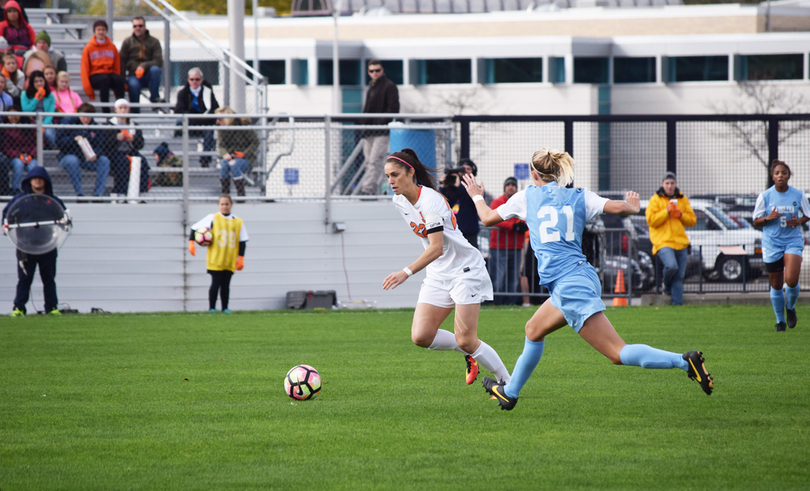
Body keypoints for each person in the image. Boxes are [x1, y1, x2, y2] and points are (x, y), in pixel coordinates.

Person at [462, 148, 713, 411]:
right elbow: (618, 207)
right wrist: (632, 206)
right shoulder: (579, 196)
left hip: (570, 285)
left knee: (618, 353)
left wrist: (477, 196)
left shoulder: (527, 197)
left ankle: (685, 362)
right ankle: (510, 393)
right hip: (579, 277)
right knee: (533, 330)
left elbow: (488, 217)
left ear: (534, 174)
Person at [381, 148, 512, 387]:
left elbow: (436, 248)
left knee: (467, 338)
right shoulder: (399, 200)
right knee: (421, 336)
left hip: (465, 271)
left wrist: (405, 272)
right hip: (439, 273)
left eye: (395, 174)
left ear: (411, 172)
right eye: (388, 175)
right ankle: (469, 354)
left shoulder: (430, 200)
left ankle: (507, 383)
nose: (391, 181)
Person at [752, 160, 810, 332]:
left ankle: (790, 307)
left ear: (788, 176)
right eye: (777, 173)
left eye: (784, 173)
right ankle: (780, 321)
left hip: (792, 241)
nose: (780, 176)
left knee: (791, 280)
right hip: (772, 243)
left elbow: (807, 215)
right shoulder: (765, 196)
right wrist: (767, 218)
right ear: (773, 176)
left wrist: (799, 220)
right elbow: (755, 221)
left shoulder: (798, 195)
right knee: (776, 285)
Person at [3, 166, 65, 316]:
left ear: (45, 181)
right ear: (29, 181)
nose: (37, 181)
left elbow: (64, 218)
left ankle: (51, 308)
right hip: (25, 246)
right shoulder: (20, 200)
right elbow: (7, 216)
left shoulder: (53, 201)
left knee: (49, 278)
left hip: (48, 245)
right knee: (25, 278)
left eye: (40, 178)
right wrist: (5, 225)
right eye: (34, 178)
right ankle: (19, 308)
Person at [188, 195, 248, 313]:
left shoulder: (238, 221)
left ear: (231, 205)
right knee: (215, 283)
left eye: (227, 204)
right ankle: (212, 308)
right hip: (215, 258)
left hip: (229, 259)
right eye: (222, 204)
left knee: (226, 285)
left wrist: (241, 257)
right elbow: (194, 228)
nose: (224, 206)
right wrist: (191, 242)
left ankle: (225, 308)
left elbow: (242, 241)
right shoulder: (213, 218)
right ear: (218, 205)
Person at [645, 172, 696, 306]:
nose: (670, 186)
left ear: (676, 184)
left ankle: (676, 304)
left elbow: (692, 220)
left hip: (681, 242)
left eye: (672, 183)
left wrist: (680, 214)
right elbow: (651, 221)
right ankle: (666, 286)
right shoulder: (655, 200)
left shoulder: (682, 199)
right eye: (667, 183)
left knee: (679, 275)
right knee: (671, 266)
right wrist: (667, 211)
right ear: (662, 184)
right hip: (663, 242)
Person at [357, 59, 399, 195]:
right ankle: (376, 191)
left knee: (375, 160)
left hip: (381, 131)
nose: (375, 73)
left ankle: (367, 189)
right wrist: (364, 126)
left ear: (382, 71)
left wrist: (381, 123)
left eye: (377, 70)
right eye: (371, 71)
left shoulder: (389, 86)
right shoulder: (371, 88)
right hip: (368, 131)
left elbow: (393, 108)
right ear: (368, 72)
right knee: (370, 162)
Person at [56, 102, 111, 197]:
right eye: (83, 117)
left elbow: (102, 146)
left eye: (89, 117)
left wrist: (95, 155)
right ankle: (79, 193)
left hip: (88, 159)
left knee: (104, 161)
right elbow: (59, 142)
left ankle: (98, 194)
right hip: (69, 156)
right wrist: (73, 139)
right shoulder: (68, 123)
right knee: (72, 160)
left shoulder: (96, 127)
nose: (86, 120)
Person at [489, 176, 527, 305]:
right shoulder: (497, 202)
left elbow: (525, 218)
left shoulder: (520, 203)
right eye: (508, 185)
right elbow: (494, 218)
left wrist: (523, 225)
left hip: (516, 246)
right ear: (504, 188)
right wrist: (513, 226)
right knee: (499, 277)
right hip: (499, 246)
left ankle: (510, 303)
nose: (511, 187)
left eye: (513, 185)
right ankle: (496, 302)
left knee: (514, 277)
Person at [174, 67, 218, 167]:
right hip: (189, 124)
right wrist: (198, 117)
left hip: (203, 124)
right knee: (181, 121)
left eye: (197, 79)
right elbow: (179, 110)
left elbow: (214, 109)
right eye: (192, 79)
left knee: (209, 130)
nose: (194, 82)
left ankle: (205, 160)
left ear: (201, 80)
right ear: (188, 80)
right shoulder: (183, 93)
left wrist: (200, 118)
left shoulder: (208, 92)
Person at [80, 20, 125, 113]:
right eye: (98, 30)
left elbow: (117, 66)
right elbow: (84, 69)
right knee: (104, 80)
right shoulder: (88, 48)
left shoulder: (112, 47)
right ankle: (106, 112)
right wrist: (89, 91)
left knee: (119, 79)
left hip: (109, 73)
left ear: (106, 31)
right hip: (95, 75)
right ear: (94, 31)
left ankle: (120, 107)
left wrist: (117, 79)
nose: (101, 32)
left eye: (103, 29)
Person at [120, 16, 163, 111]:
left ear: (145, 27)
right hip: (134, 75)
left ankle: (155, 99)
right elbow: (122, 61)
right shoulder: (128, 42)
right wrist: (122, 80)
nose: (137, 28)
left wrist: (144, 66)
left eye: (140, 25)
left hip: (149, 75)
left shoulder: (154, 42)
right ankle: (135, 112)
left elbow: (158, 61)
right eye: (135, 26)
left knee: (155, 70)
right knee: (133, 85)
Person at [108, 99, 148, 197]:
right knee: (123, 163)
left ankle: (141, 191)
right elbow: (106, 143)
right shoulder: (109, 124)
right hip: (115, 153)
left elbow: (141, 144)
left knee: (142, 161)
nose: (123, 110)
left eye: (125, 108)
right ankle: (120, 192)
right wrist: (116, 138)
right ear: (115, 110)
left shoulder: (133, 125)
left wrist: (133, 139)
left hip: (131, 151)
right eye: (120, 108)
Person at [215, 106, 258, 198]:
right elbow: (221, 145)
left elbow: (255, 142)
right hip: (231, 156)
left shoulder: (243, 124)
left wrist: (244, 153)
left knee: (234, 164)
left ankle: (241, 194)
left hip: (246, 158)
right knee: (224, 163)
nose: (217, 121)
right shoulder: (221, 128)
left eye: (219, 119)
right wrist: (224, 154)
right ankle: (225, 194)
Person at [440, 158, 480, 249]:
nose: (465, 171)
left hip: (469, 231)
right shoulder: (452, 187)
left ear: (473, 172)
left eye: (468, 169)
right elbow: (442, 202)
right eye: (462, 168)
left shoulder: (476, 187)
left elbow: (473, 199)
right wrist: (443, 186)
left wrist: (459, 186)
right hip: (453, 231)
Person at [3, 105, 37, 193]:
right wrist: (18, 155)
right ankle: (16, 189)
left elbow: (39, 143)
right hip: (14, 157)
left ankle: (32, 190)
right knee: (18, 164)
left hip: (30, 155)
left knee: (33, 166)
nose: (13, 117)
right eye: (11, 115)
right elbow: (5, 148)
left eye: (16, 115)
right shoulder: (4, 127)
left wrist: (31, 155)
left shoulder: (29, 125)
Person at [20, 69, 56, 147]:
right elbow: (26, 110)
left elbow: (50, 114)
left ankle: (54, 149)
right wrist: (36, 98)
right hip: (31, 121)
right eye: (36, 81)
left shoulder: (50, 96)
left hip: (45, 121)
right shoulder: (24, 94)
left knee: (49, 134)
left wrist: (43, 126)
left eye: (41, 81)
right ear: (32, 83)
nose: (39, 83)